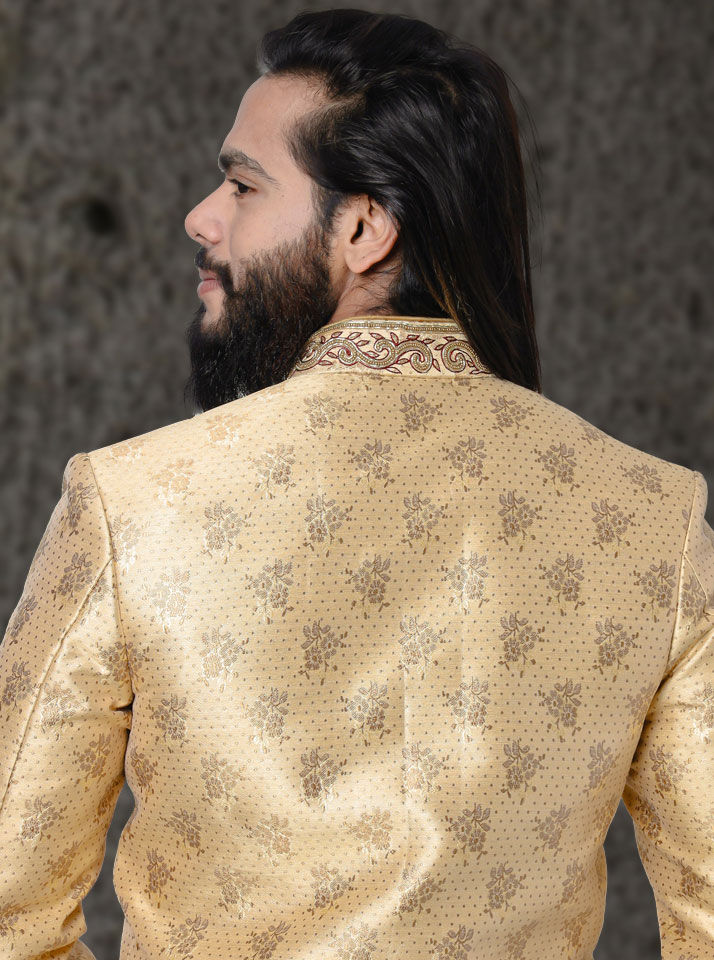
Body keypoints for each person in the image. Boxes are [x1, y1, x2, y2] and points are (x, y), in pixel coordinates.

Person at [1, 8, 712, 959]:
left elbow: (7, 904)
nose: (202, 216)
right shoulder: (651, 519)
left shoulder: (134, 502)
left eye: (242, 185)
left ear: (365, 227)